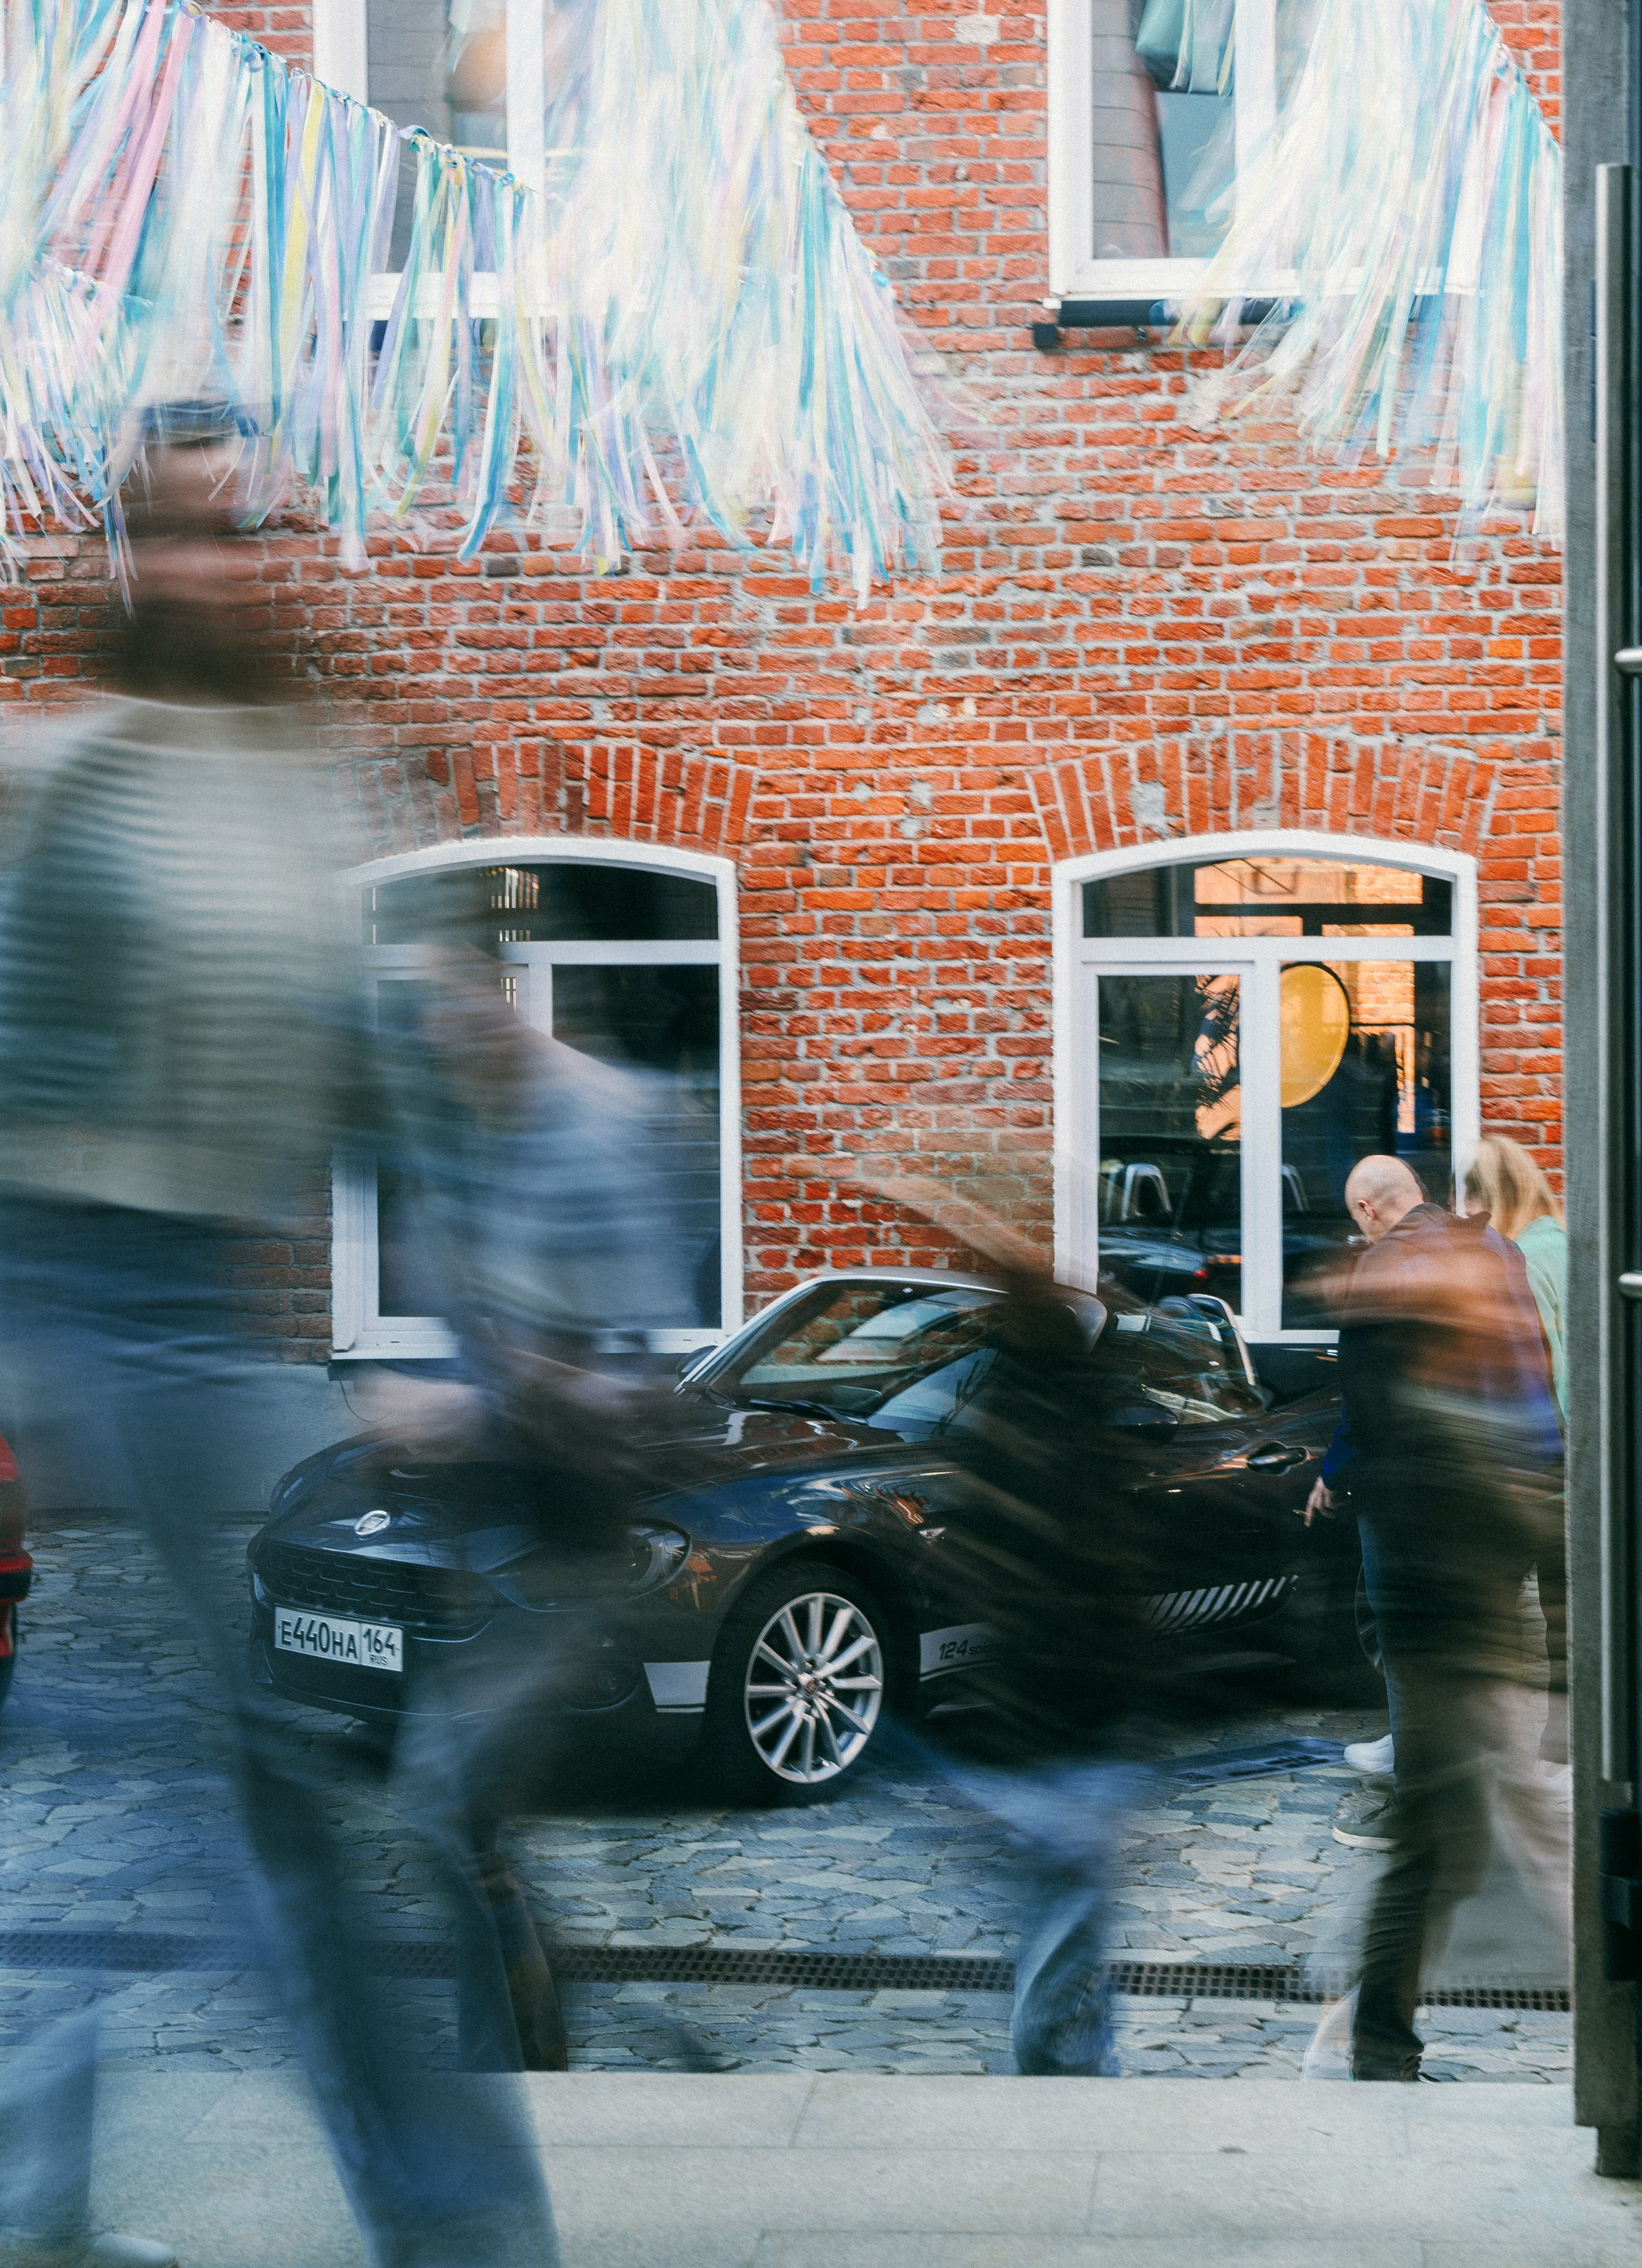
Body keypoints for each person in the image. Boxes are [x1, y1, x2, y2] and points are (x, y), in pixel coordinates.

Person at [0, 408, 562, 2268]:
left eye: (252, 527)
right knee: (258, 1768)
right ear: (133, 566)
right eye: (184, 532)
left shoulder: (307, 781)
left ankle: (72, 2169)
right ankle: (456, 2219)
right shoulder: (77, 779)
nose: (227, 562)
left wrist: (449, 1329)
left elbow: (360, 1073)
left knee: (239, 1773)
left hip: (215, 1316)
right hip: (92, 1292)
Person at [1303, 1154, 1568, 2082]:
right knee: (1443, 1829)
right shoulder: (1487, 1255)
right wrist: (1537, 1491)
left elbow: (1367, 1419)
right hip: (1469, 1573)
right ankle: (1374, 2031)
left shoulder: (1393, 1276)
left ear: (1371, 1209)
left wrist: (1338, 1476)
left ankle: (1369, 2028)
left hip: (1427, 1576)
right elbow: (1533, 1385)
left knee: (1438, 1825)